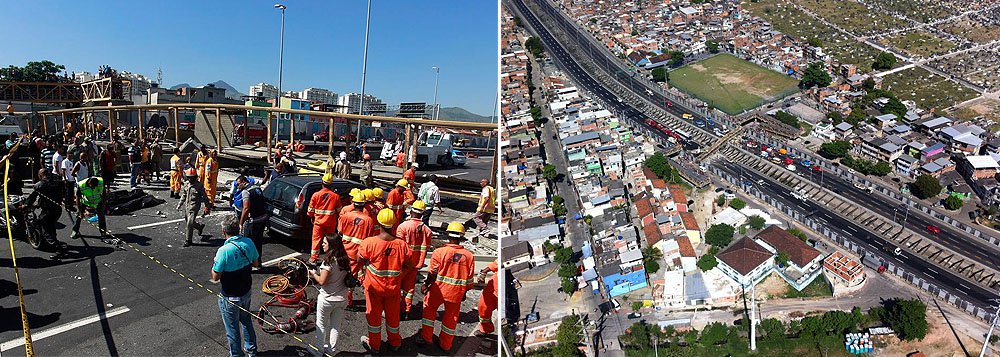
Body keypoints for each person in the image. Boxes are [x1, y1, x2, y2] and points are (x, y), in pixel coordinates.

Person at [357, 209, 412, 353]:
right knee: (393, 316)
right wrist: (399, 277)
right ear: (394, 224)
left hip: (373, 288)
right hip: (393, 288)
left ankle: (374, 345)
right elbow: (408, 265)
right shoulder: (402, 245)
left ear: (379, 223)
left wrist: (362, 271)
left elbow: (359, 260)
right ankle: (395, 342)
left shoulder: (369, 243)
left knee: (374, 317)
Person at [418, 222, 474, 351]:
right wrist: (464, 292)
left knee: (429, 310)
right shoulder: (469, 256)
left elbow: (433, 273)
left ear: (448, 235)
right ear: (462, 236)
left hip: (438, 290)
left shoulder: (439, 252)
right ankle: (446, 345)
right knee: (451, 318)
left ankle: (426, 337)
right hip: (456, 292)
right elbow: (469, 279)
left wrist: (426, 285)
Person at [211, 214, 259, 357]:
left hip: (230, 297)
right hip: (246, 291)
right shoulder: (248, 242)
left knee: (232, 329)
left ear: (223, 231)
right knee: (246, 321)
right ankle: (251, 350)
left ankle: (237, 355)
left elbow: (215, 277)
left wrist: (215, 262)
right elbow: (256, 263)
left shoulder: (224, 251)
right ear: (238, 229)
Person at [308, 235, 350, 357]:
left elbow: (322, 281)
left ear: (331, 245)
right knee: (335, 326)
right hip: (342, 298)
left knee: (321, 324)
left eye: (325, 243)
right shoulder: (344, 259)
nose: (322, 245)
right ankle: (331, 350)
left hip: (327, 299)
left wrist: (313, 274)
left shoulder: (329, 261)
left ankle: (319, 351)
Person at [338, 190, 375, 308]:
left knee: (339, 273)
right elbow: (368, 239)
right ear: (364, 204)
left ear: (353, 203)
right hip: (357, 254)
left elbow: (339, 231)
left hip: (344, 250)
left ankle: (340, 298)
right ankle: (348, 301)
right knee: (351, 277)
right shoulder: (368, 220)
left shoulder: (346, 216)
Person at [397, 200, 433, 316]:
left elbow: (398, 246)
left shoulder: (403, 227)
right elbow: (426, 246)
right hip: (415, 263)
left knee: (395, 285)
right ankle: (406, 310)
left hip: (402, 263)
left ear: (411, 211)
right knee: (409, 288)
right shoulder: (427, 230)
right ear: (422, 213)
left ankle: (394, 308)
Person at [23, 169, 67, 259]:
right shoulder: (57, 182)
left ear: (41, 175)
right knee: (51, 226)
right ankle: (54, 242)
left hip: (48, 211)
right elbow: (47, 196)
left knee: (45, 229)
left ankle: (58, 249)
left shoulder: (40, 185)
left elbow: (32, 197)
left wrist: (25, 205)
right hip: (57, 209)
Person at [306, 173, 342, 265]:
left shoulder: (316, 195)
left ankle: (313, 259)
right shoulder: (336, 196)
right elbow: (339, 211)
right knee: (330, 241)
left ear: (322, 183)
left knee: (316, 240)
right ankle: (329, 258)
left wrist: (311, 217)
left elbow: (310, 210)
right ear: (331, 184)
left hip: (318, 223)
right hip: (330, 223)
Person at [177, 161, 210, 247]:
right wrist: (180, 204)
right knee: (188, 221)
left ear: (195, 177)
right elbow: (184, 195)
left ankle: (188, 240)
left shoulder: (199, 186)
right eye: (188, 177)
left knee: (189, 223)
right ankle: (199, 227)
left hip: (194, 207)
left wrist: (207, 207)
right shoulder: (186, 184)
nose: (190, 179)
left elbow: (205, 197)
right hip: (187, 206)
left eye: (191, 178)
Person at [237, 175, 267, 268]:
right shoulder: (257, 187)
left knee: (250, 242)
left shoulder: (246, 192)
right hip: (263, 217)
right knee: (258, 241)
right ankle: (258, 263)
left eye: (238, 184)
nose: (237, 186)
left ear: (243, 182)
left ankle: (251, 263)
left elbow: (246, 208)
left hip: (254, 220)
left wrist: (241, 223)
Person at [72, 177, 109, 241]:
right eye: (92, 186)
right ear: (89, 184)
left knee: (101, 215)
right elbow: (77, 198)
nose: (94, 188)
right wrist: (80, 211)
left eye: (95, 186)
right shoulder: (81, 185)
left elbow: (104, 194)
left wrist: (103, 205)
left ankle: (103, 232)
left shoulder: (100, 182)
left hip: (97, 201)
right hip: (85, 201)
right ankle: (75, 231)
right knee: (78, 216)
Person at [476, 260, 499, 336]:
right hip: (492, 287)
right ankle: (485, 329)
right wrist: (483, 272)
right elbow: (497, 263)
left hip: (501, 293)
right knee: (483, 307)